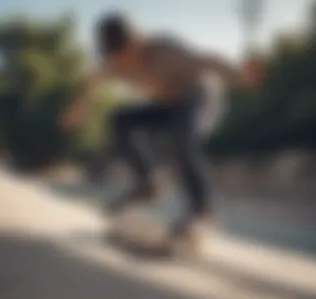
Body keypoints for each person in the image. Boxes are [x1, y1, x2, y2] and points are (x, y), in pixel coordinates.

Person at [62, 12, 237, 237]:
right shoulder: (113, 63)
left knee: (181, 139)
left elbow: (208, 61)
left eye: (129, 54)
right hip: (167, 105)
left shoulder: (165, 50)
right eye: (119, 59)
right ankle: (148, 183)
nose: (126, 63)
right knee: (119, 119)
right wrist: (78, 108)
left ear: (136, 42)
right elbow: (91, 80)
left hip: (198, 98)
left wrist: (238, 74)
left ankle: (202, 208)